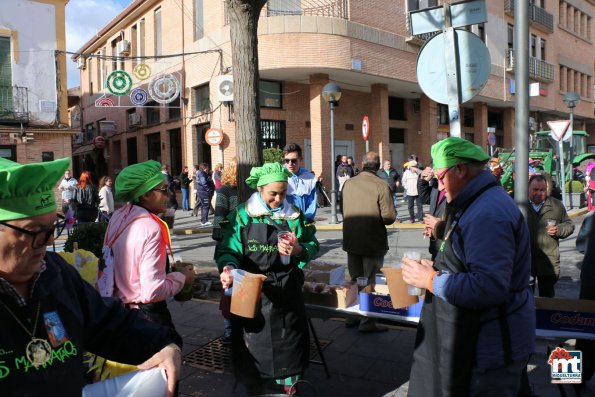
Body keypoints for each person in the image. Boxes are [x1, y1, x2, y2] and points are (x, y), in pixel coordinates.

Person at [0, 157, 183, 396]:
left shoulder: (55, 272)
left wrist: (162, 343)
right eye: (35, 232)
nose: (50, 241)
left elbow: (108, 321)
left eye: (52, 228)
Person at [401, 137, 535, 397]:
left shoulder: (487, 213)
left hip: (493, 343)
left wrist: (431, 280)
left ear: (460, 170)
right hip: (485, 338)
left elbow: (489, 286)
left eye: (441, 178)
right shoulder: (475, 202)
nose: (439, 186)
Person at [216, 162, 319, 395]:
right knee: (251, 344)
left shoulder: (294, 216)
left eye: (283, 193)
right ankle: (252, 385)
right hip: (250, 292)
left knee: (289, 342)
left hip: (286, 292)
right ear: (260, 189)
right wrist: (229, 268)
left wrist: (299, 250)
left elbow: (313, 245)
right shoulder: (241, 215)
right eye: (273, 193)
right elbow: (227, 250)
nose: (278, 199)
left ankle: (290, 383)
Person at [107, 160, 196, 329]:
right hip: (145, 317)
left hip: (119, 311)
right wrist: (183, 277)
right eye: (163, 189)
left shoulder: (118, 216)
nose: (169, 194)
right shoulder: (150, 227)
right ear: (146, 195)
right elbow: (152, 291)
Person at [341, 152, 396, 332]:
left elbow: (343, 210)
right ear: (378, 166)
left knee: (354, 278)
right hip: (372, 241)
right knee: (369, 280)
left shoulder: (348, 184)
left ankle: (351, 316)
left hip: (351, 239)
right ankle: (368, 322)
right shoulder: (381, 185)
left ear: (362, 164)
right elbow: (389, 217)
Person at [526, 174, 574, 298]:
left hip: (548, 261)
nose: (539, 193)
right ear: (528, 189)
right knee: (524, 297)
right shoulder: (519, 205)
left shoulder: (556, 205)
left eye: (542, 190)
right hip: (525, 261)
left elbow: (569, 224)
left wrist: (559, 229)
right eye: (535, 190)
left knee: (547, 298)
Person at [211, 158, 240, 345]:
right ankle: (230, 330)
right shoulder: (225, 191)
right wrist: (224, 236)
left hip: (246, 245)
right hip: (230, 245)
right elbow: (220, 217)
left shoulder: (251, 190)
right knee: (229, 290)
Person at [283, 143, 318, 223]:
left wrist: (306, 220)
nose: (290, 164)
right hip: (284, 221)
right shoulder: (280, 175)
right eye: (287, 160)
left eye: (294, 160)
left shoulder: (309, 178)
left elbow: (312, 202)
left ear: (301, 159)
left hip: (303, 220)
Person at [417, 166, 447, 259]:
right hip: (435, 243)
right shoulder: (436, 186)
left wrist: (439, 225)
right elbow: (424, 198)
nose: (440, 186)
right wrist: (423, 181)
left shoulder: (457, 191)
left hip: (447, 249)